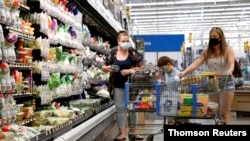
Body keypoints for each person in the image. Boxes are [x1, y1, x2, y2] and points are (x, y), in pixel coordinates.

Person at [179, 27, 235, 124]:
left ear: (220, 38)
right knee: (215, 111)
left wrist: (230, 70)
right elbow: (196, 63)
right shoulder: (207, 52)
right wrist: (185, 72)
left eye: (215, 36)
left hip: (226, 82)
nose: (212, 38)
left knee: (224, 112)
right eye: (210, 36)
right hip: (212, 84)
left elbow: (231, 63)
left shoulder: (228, 50)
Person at [102, 30, 143, 140]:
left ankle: (133, 132)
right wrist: (106, 68)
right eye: (123, 41)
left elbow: (140, 67)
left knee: (133, 108)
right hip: (117, 85)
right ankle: (122, 134)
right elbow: (104, 66)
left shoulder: (132, 52)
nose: (126, 43)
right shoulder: (112, 52)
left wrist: (129, 71)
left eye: (127, 41)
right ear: (118, 41)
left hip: (132, 86)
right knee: (120, 108)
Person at [157, 56, 180, 124]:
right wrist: (164, 83)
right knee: (170, 120)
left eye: (163, 68)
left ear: (168, 64)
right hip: (169, 100)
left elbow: (181, 88)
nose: (163, 70)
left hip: (177, 101)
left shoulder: (178, 74)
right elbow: (168, 84)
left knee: (179, 120)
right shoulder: (167, 73)